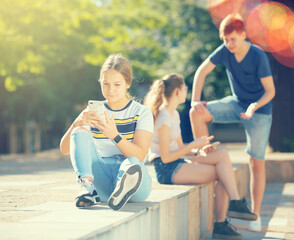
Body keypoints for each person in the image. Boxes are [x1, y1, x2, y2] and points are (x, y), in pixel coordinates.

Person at [144, 73, 257, 240]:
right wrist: (192, 146)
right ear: (177, 91)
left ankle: (232, 207)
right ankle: (224, 219)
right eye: (184, 88)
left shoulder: (174, 114)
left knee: (222, 155)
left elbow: (181, 148)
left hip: (177, 162)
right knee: (224, 173)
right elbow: (166, 157)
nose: (186, 91)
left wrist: (199, 151)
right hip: (166, 168)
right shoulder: (163, 117)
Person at [190, 14, 275, 232]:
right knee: (196, 112)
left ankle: (255, 215)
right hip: (236, 103)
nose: (229, 44)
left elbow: (270, 91)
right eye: (225, 40)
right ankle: (203, 157)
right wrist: (195, 100)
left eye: (233, 40)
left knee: (256, 161)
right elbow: (201, 71)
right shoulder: (225, 51)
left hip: (259, 110)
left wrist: (254, 107)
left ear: (244, 36)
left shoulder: (258, 56)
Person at [60, 54, 153, 211]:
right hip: (102, 177)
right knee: (78, 132)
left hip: (136, 184)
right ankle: (87, 187)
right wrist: (76, 124)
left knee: (132, 163)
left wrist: (114, 136)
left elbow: (140, 155)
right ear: (100, 83)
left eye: (117, 84)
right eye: (106, 84)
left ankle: (122, 187)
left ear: (128, 83)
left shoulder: (142, 112)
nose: (111, 90)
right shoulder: (93, 111)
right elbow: (64, 149)